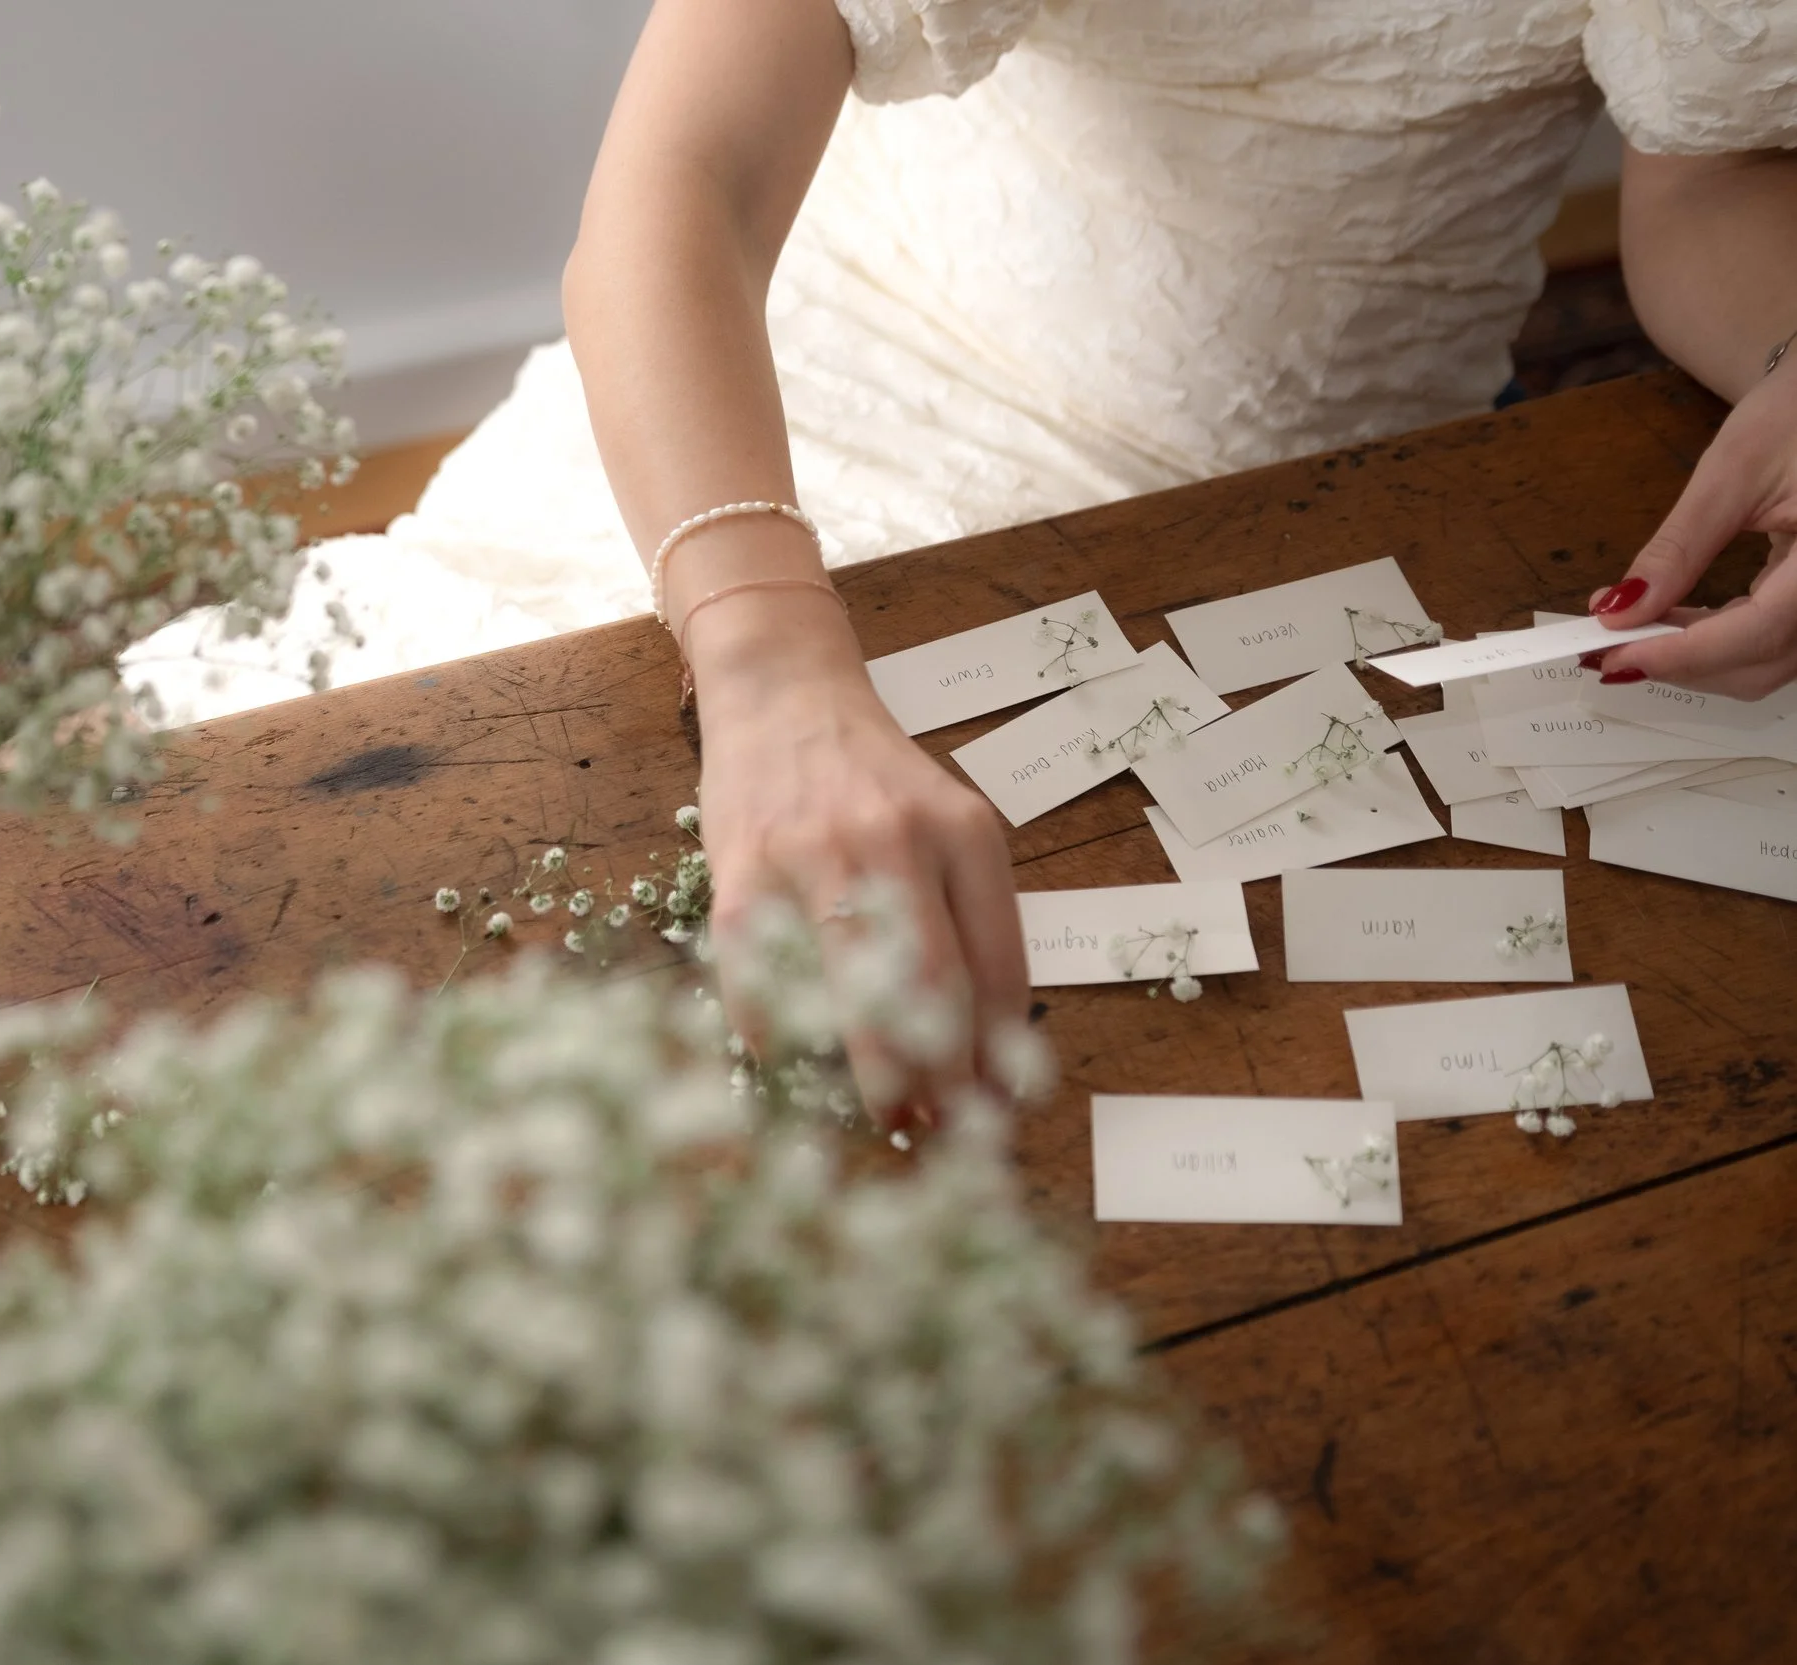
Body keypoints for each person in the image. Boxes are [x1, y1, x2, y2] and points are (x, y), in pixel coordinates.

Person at [146, 1, 1797, 1114]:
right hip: (763, 414)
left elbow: (1700, 178)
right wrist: (773, 666)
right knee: (305, 903)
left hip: (1289, 520)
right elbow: (681, 186)